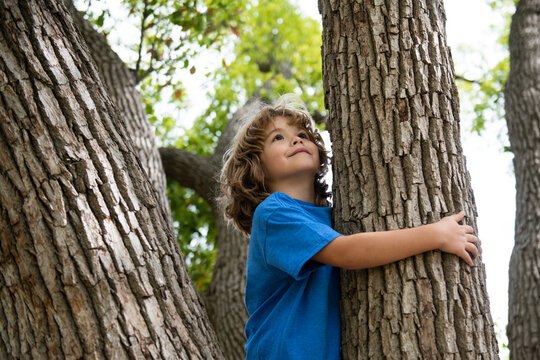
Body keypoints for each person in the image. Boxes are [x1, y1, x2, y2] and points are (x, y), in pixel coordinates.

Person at [220, 94, 479, 359]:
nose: (296, 139)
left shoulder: (333, 218)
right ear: (256, 166)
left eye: (302, 134)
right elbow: (348, 253)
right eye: (278, 138)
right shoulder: (273, 214)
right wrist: (435, 235)